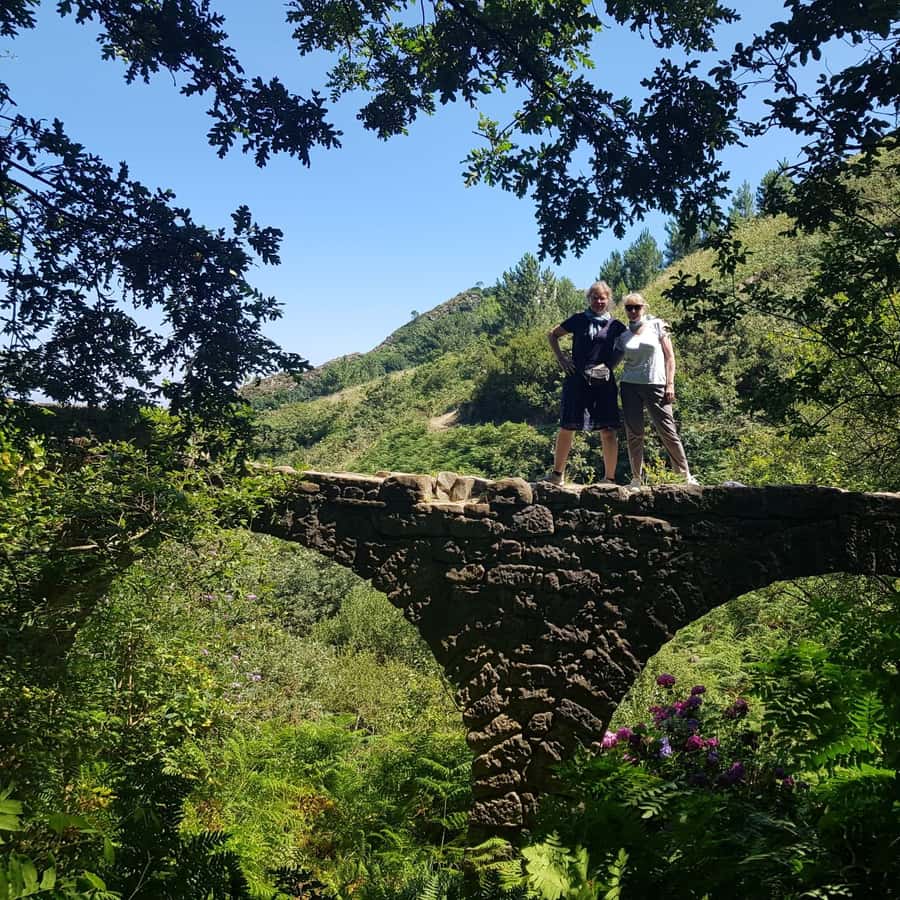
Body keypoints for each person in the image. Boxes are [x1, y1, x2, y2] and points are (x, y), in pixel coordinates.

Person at [543, 281, 626, 484]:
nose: (598, 301)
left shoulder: (615, 325)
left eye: (602, 298)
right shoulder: (578, 319)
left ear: (608, 299)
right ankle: (557, 475)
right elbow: (553, 335)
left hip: (603, 382)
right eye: (595, 298)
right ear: (589, 299)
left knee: (608, 430)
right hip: (577, 379)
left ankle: (609, 479)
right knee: (567, 426)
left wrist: (610, 366)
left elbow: (623, 347)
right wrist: (562, 359)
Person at [613, 292, 698, 488]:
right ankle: (636, 479)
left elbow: (670, 357)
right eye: (629, 307)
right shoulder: (623, 334)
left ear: (644, 307)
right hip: (629, 385)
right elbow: (614, 361)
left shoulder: (658, 325)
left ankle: (685, 476)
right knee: (634, 433)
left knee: (667, 430)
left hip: (656, 384)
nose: (633, 311)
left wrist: (670, 384)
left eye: (637, 307)